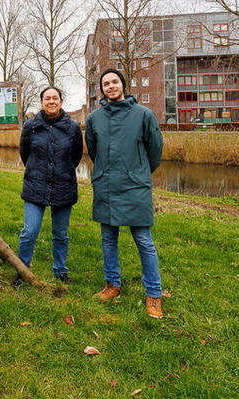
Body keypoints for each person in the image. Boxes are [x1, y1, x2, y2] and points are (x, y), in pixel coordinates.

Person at [85, 68, 165, 319]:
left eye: (115, 82)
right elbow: (93, 149)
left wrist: (138, 173)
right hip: (106, 186)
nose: (110, 86)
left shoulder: (144, 114)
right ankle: (112, 285)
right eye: (106, 83)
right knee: (108, 240)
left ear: (123, 84)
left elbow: (155, 150)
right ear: (102, 89)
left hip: (135, 187)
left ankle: (154, 293)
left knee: (144, 241)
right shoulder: (94, 118)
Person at [11, 86, 83, 287]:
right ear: (41, 102)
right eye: (47, 98)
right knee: (29, 231)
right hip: (36, 186)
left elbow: (75, 157)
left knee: (60, 233)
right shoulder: (30, 126)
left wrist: (63, 171)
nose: (51, 101)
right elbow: (25, 154)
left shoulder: (73, 128)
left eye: (55, 98)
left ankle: (60, 270)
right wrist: (37, 172)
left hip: (63, 186)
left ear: (61, 101)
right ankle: (22, 270)